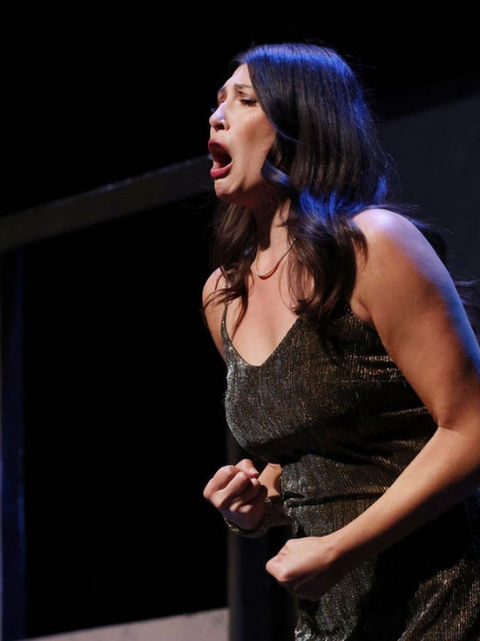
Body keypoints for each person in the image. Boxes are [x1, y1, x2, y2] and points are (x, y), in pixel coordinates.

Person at [202, 42, 480, 640]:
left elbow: (472, 428)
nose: (217, 116)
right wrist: (257, 505)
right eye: (218, 101)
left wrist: (340, 548)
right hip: (336, 619)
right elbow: (319, 458)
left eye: (244, 100)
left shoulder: (373, 246)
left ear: (301, 126)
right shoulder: (224, 296)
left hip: (449, 595)